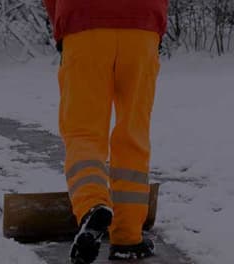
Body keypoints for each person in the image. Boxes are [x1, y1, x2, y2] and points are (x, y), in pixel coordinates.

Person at [43, 0, 167, 263]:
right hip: (142, 26)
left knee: (83, 131)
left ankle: (92, 205)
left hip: (84, 23)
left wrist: (62, 23)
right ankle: (127, 237)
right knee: (133, 132)